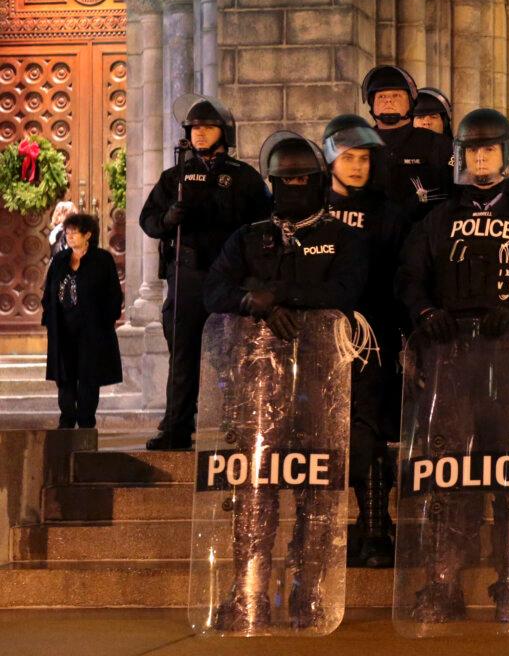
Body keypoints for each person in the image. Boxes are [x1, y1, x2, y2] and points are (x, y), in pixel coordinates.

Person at [395, 108, 509, 623]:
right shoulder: (436, 220)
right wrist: (425, 313)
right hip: (451, 363)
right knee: (447, 475)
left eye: (489, 149)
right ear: (460, 157)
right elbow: (409, 277)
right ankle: (441, 583)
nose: (480, 158)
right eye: (472, 150)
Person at [202, 131, 368, 630]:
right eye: (285, 180)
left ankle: (309, 590)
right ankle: (248, 589)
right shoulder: (249, 237)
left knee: (317, 487)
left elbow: (346, 288)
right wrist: (250, 303)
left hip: (321, 381)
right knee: (256, 485)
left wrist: (279, 296)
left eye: (303, 179)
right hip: (258, 383)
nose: (294, 187)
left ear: (318, 182)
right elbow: (213, 289)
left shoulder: (345, 237)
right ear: (272, 183)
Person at [140, 95, 272, 450]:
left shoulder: (244, 177)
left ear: (224, 132)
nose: (199, 134)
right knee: (183, 353)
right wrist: (168, 219)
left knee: (236, 354)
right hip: (188, 274)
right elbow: (147, 220)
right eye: (194, 128)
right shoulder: (175, 176)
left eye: (207, 127)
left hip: (229, 276)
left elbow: (264, 224)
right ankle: (177, 427)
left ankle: (242, 425)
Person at [322, 113, 410, 568]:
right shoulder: (307, 205)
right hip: (315, 340)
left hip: (371, 336)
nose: (356, 166)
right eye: (348, 157)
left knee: (368, 429)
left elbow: (402, 276)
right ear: (330, 157)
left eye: (363, 158)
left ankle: (375, 527)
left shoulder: (388, 212)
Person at [41, 213, 122, 429]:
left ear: (88, 234)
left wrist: (105, 322)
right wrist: (49, 318)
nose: (69, 237)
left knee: (88, 378)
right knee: (65, 379)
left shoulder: (102, 260)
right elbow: (48, 293)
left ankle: (86, 423)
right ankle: (66, 421)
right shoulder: (59, 260)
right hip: (63, 331)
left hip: (92, 332)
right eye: (67, 233)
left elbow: (114, 295)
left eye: (74, 232)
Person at [362, 65, 455, 222]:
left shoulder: (439, 145)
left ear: (411, 103)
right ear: (372, 104)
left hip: (425, 237)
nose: (389, 100)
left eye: (396, 95)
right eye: (381, 97)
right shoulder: (359, 146)